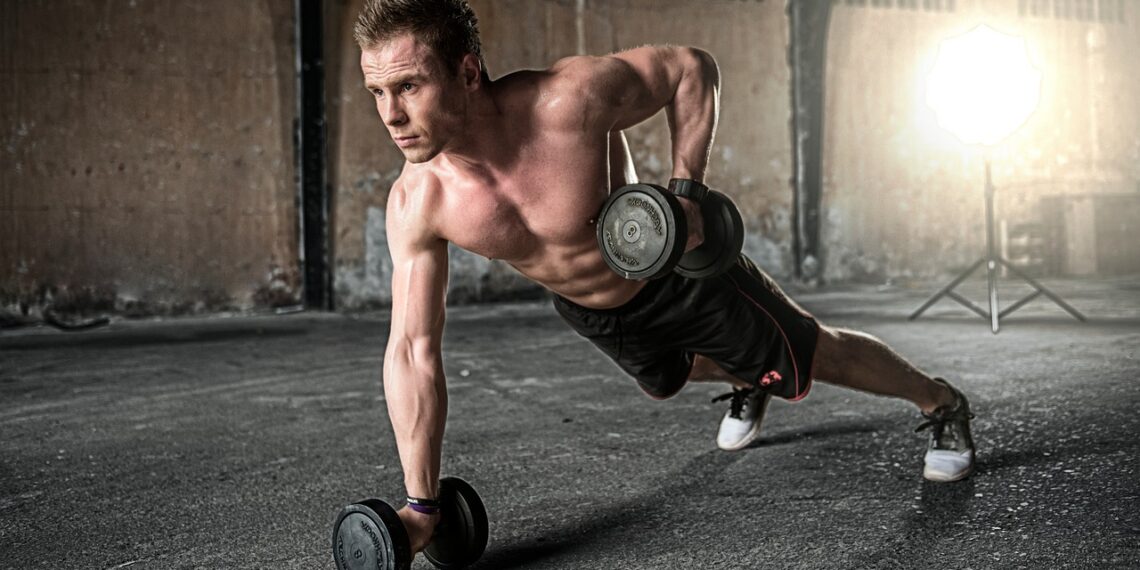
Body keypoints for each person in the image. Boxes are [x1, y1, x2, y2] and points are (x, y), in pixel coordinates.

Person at [354, 0, 976, 555]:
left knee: (811, 354)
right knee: (672, 377)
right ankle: (748, 378)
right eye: (377, 92)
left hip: (675, 275)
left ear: (467, 73)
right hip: (591, 309)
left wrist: (686, 192)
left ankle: (940, 401)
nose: (390, 115)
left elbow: (689, 69)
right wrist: (421, 505)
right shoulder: (418, 202)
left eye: (408, 86)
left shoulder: (568, 101)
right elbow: (412, 350)